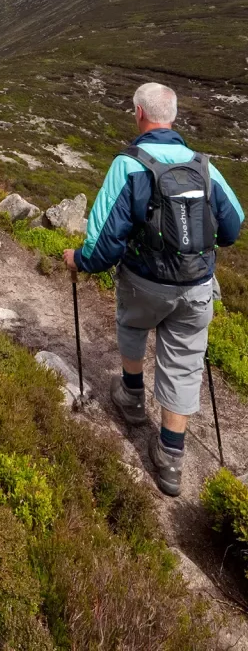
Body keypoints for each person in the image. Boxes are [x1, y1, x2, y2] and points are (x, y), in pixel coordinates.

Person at [64, 82, 244, 497]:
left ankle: (131, 396)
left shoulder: (128, 165)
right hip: (197, 286)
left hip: (144, 282)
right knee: (183, 363)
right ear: (174, 117)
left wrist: (79, 259)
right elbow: (233, 226)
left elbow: (104, 242)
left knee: (132, 323)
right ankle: (170, 459)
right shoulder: (205, 166)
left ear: (138, 114)